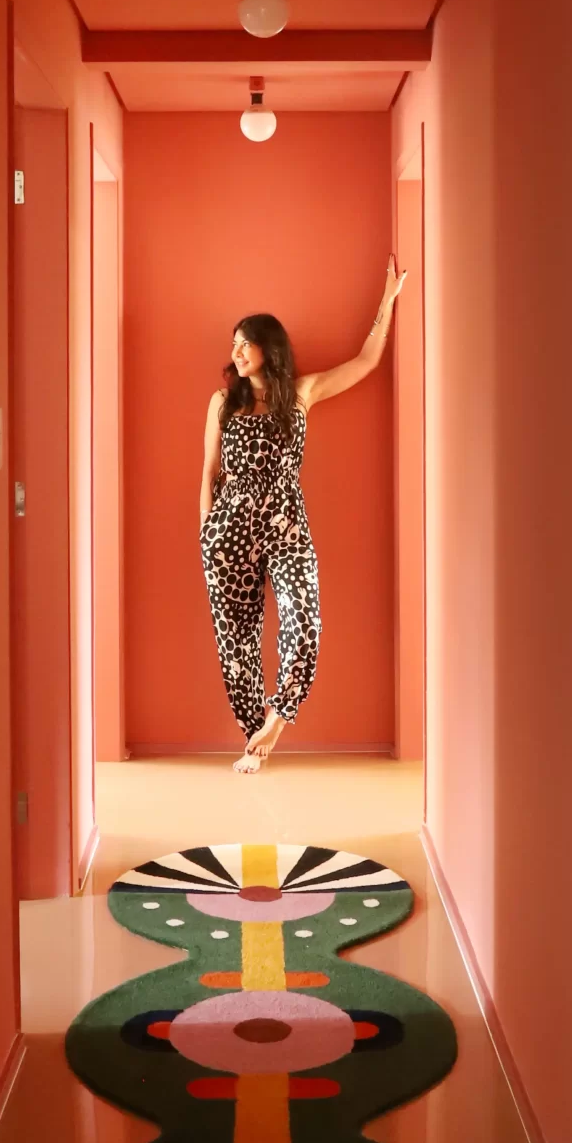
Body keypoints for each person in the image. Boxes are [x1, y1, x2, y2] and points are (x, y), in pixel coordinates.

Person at [198, 257, 406, 774]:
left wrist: (387, 301)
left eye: (244, 343)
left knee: (304, 618)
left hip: (287, 525)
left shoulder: (301, 394)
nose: (236, 352)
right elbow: (209, 469)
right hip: (227, 531)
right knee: (236, 642)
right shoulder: (223, 402)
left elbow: (366, 362)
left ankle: (276, 719)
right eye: (233, 344)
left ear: (268, 348)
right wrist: (205, 528)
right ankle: (253, 741)